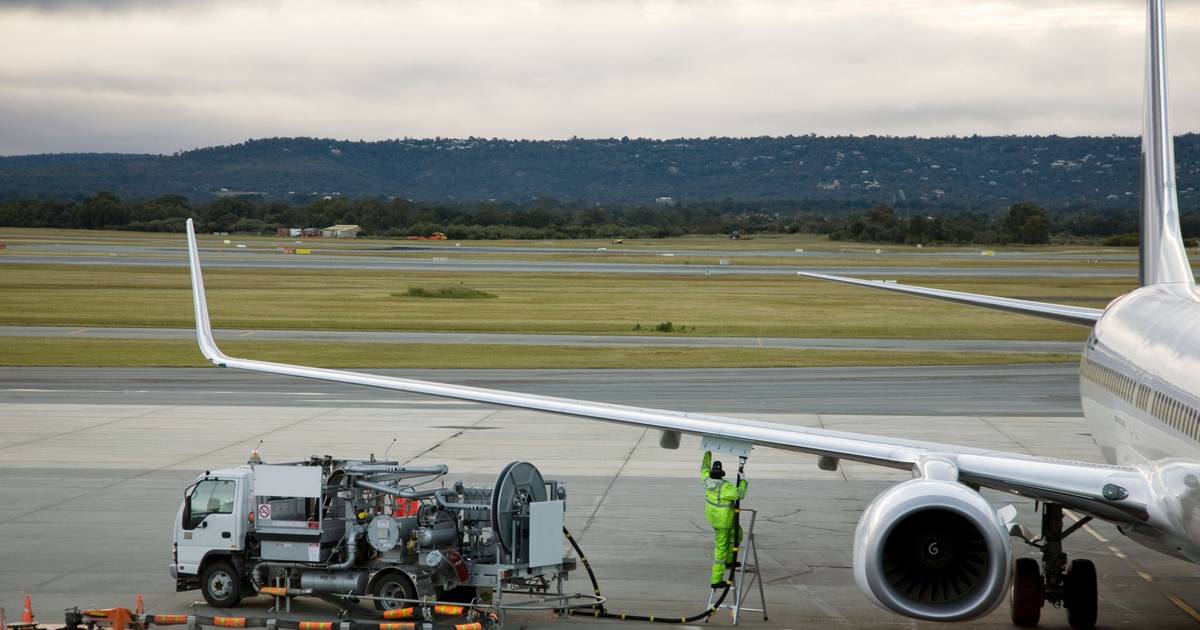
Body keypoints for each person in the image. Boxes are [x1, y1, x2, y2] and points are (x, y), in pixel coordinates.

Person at [701, 450, 748, 588]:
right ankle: (716, 580)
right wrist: (743, 481)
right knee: (721, 548)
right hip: (723, 522)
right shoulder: (725, 487)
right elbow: (740, 494)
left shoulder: (706, 480)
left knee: (737, 534)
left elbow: (704, 468)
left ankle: (729, 560)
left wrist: (708, 452)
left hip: (715, 518)